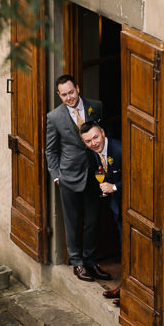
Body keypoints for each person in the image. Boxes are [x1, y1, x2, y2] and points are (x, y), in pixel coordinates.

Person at [45, 75, 111, 282]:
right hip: (69, 177)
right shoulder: (54, 117)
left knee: (92, 221)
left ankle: (90, 261)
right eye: (64, 94)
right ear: (59, 95)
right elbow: (50, 150)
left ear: (78, 89)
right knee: (72, 222)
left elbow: (104, 135)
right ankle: (77, 263)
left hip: (95, 175)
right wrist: (57, 177)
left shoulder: (96, 107)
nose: (69, 98)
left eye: (71, 92)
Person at [79, 121, 122, 306]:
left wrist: (113, 187)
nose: (93, 143)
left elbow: (137, 176)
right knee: (124, 245)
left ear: (103, 133)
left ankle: (129, 292)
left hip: (132, 205)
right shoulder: (93, 153)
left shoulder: (119, 150)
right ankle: (125, 287)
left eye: (95, 137)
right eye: (88, 141)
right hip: (115, 204)